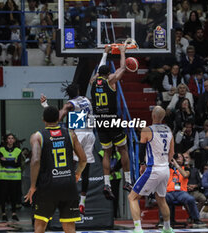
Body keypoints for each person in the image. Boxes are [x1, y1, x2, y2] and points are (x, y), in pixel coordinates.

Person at [24, 106, 87, 233]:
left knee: (40, 225)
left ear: (43, 119)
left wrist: (32, 186)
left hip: (48, 186)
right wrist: (77, 173)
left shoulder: (38, 136)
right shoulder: (70, 134)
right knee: (69, 227)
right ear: (58, 118)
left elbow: (35, 161)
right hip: (68, 185)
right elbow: (83, 159)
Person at [40, 82, 95, 215]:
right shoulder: (87, 100)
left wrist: (46, 106)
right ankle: (82, 202)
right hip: (91, 134)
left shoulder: (70, 104)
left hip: (79, 134)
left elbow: (56, 118)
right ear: (78, 90)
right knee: (85, 166)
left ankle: (66, 194)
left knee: (70, 165)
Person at [89, 45, 132, 199]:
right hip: (111, 119)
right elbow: (123, 68)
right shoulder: (111, 80)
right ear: (108, 74)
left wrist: (105, 53)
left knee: (107, 152)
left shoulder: (93, 81)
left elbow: (100, 69)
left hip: (99, 121)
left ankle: (106, 183)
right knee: (123, 150)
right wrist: (122, 52)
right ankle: (128, 181)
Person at [128, 106, 174, 233]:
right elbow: (172, 153)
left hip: (153, 169)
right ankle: (167, 227)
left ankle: (137, 228)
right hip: (165, 169)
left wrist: (142, 164)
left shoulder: (147, 130)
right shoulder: (168, 130)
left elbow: (141, 150)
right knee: (161, 199)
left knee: (132, 197)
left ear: (153, 115)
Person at [166, 153, 206, 228]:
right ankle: (163, 220)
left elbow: (185, 175)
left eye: (180, 157)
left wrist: (176, 165)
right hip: (169, 191)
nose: (178, 158)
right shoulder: (168, 168)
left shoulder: (186, 169)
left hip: (181, 192)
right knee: (162, 199)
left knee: (190, 199)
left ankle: (196, 219)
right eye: (176, 157)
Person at [0, 133, 22, 222]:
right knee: (3, 195)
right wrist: (12, 161)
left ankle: (14, 213)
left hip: (15, 177)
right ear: (6, 140)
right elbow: (2, 163)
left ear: (14, 140)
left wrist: (7, 160)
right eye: (9, 138)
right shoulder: (1, 150)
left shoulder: (18, 151)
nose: (10, 140)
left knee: (14, 196)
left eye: (12, 138)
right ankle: (3, 213)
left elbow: (18, 164)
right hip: (4, 177)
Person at [98, 149, 122, 218]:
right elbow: (100, 165)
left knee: (115, 197)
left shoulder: (118, 154)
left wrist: (113, 170)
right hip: (106, 178)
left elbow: (121, 164)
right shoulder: (101, 153)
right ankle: (107, 215)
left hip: (115, 178)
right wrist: (112, 171)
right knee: (106, 197)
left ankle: (114, 215)